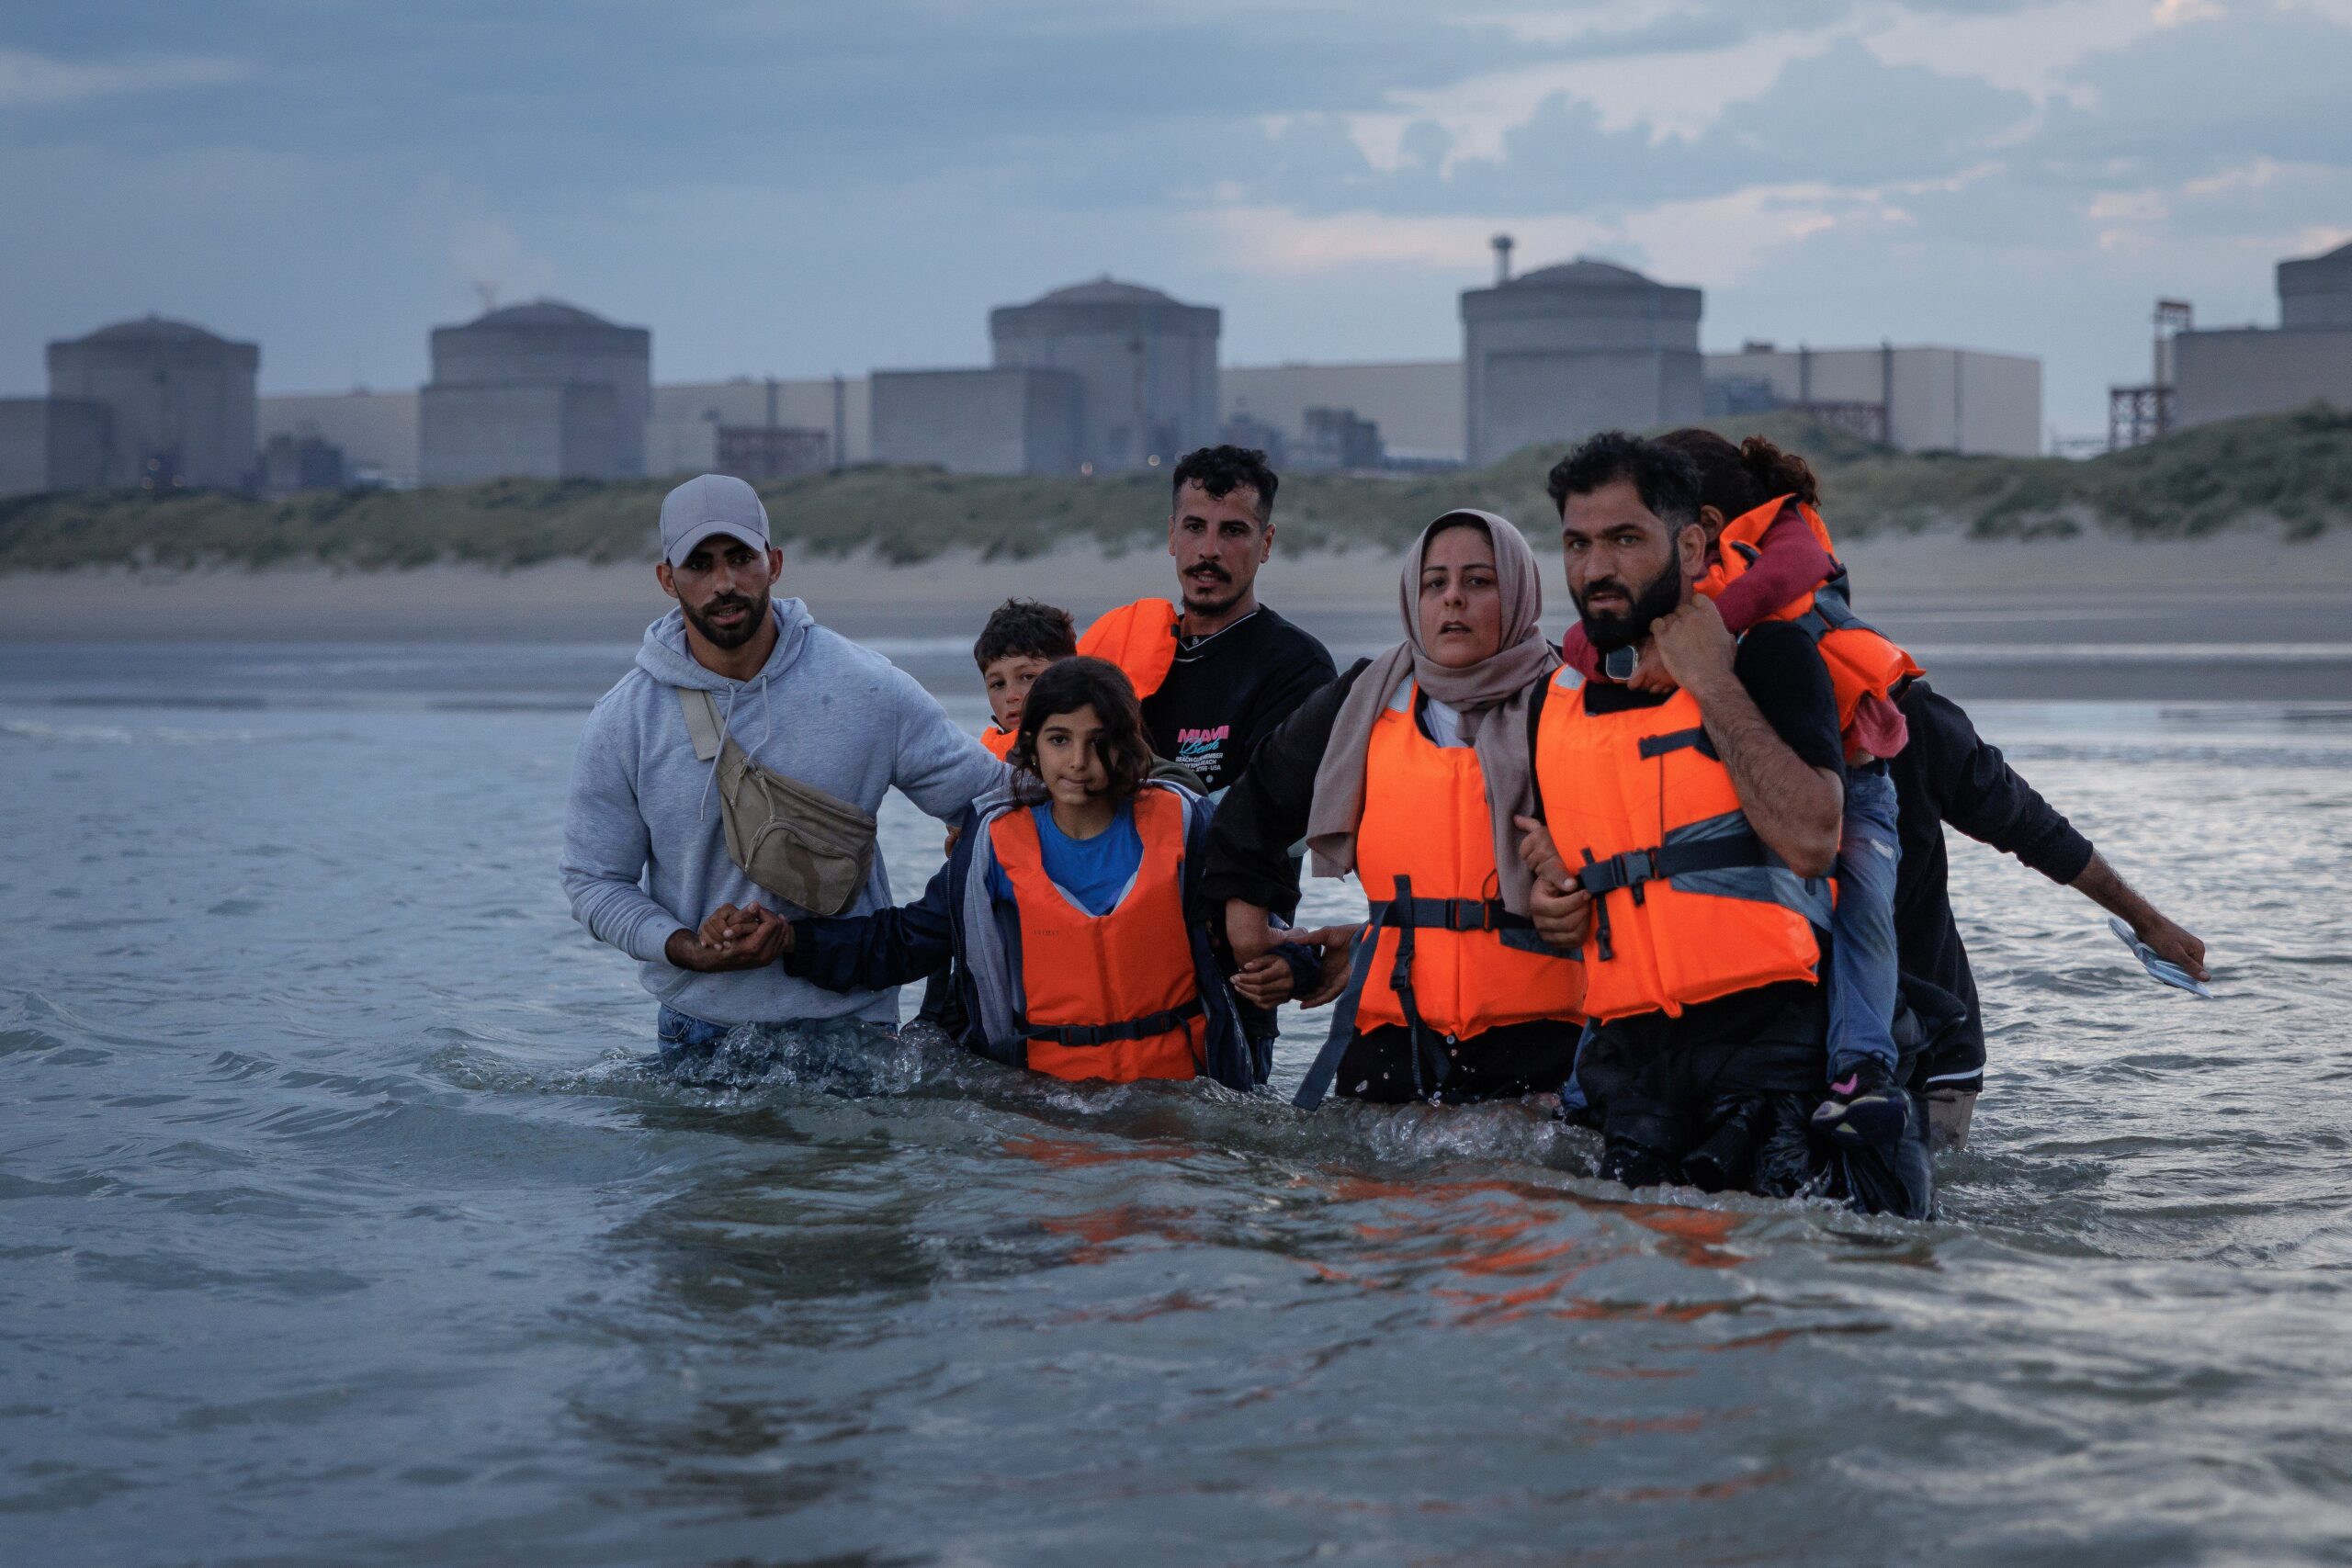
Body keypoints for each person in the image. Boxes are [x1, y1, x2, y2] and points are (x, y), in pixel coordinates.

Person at [1653, 433, 2211, 1153]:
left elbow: (2025, 821)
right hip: (1767, 1050)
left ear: (1704, 537)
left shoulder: (1883, 702)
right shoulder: (1662, 708)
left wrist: (2148, 921)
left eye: (1644, 532)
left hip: (1928, 1046)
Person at [1523, 432, 1931, 1216]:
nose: (1596, 567)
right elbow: (1571, 871)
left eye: (1623, 539)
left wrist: (1710, 680)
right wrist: (1553, 902)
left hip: (1775, 1067)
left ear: (1689, 543)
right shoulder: (1559, 699)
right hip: (1635, 1075)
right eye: (1577, 543)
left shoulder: (1771, 657)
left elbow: (1814, 838)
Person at [560, 473, 1008, 1060]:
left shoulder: (867, 688)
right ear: (667, 579)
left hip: (854, 1028)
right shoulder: (625, 720)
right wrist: (684, 944)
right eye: (699, 564)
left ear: (773, 562)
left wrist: (918, 933)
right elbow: (594, 880)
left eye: (740, 558)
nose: (724, 583)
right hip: (698, 1028)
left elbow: (995, 806)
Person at [708, 658, 1293, 1088]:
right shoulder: (991, 843)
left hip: (1182, 1097)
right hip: (1045, 1105)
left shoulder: (1185, 823)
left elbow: (1262, 929)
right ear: (1031, 747)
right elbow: (909, 941)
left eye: (1100, 742)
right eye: (1060, 740)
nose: (1080, 763)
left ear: (1128, 745)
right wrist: (789, 938)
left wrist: (1293, 965)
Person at [1204, 510, 1584, 1106]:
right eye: (1436, 583)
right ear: (1414, 596)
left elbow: (1633, 852)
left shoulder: (1570, 704)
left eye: (1479, 582)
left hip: (1542, 1051)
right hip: (1392, 1039)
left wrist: (1575, 883)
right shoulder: (1362, 700)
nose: (1453, 598)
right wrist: (1251, 928)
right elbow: (1256, 804)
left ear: (1519, 592)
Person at [1077, 445, 1336, 795]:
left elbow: (1268, 810)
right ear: (1172, 535)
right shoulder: (1123, 652)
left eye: (1233, 531)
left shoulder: (1298, 666)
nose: (1209, 550)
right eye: (1195, 527)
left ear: (1266, 543)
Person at [971, 598, 1077, 761]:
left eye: (1027, 677)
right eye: (998, 684)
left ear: (1070, 676)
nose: (1011, 695)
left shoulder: (1090, 755)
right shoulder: (980, 764)